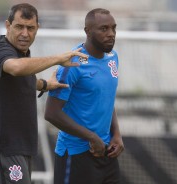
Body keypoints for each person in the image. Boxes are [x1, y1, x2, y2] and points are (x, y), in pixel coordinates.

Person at [0, 3, 88, 184]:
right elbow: (15, 68)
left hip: (19, 148)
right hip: (3, 150)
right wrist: (58, 59)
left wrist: (45, 84)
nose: (25, 33)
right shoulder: (1, 51)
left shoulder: (21, 55)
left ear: (37, 29)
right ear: (7, 26)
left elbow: (21, 79)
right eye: (19, 27)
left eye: (30, 28)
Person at [44, 8, 124, 184]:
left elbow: (106, 99)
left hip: (106, 151)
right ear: (87, 31)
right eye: (104, 29)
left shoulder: (113, 57)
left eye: (113, 28)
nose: (111, 34)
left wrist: (116, 134)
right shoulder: (72, 63)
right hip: (76, 154)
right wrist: (91, 137)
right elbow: (51, 113)